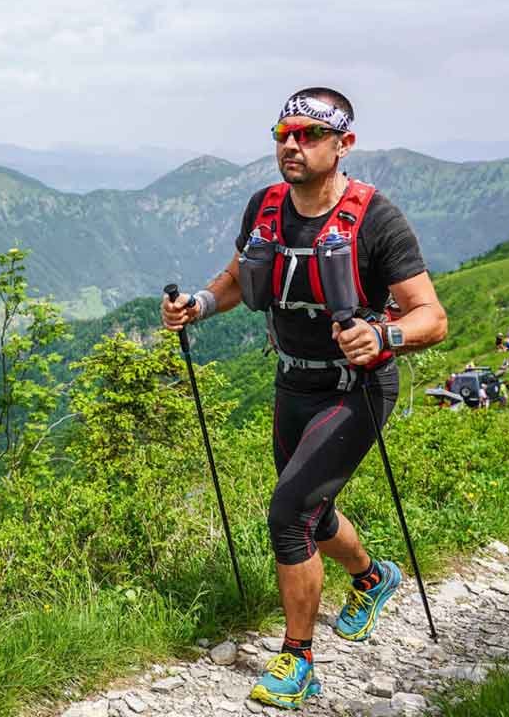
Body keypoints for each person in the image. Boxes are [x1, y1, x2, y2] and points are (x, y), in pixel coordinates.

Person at [162, 87, 448, 710]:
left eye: (309, 135)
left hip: (357, 387)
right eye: (283, 133)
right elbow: (241, 277)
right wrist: (199, 306)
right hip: (292, 380)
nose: (291, 145)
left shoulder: (376, 218)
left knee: (288, 512)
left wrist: (383, 334)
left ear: (343, 144)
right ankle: (373, 578)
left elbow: (433, 317)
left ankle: (298, 661)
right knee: (312, 514)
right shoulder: (264, 207)